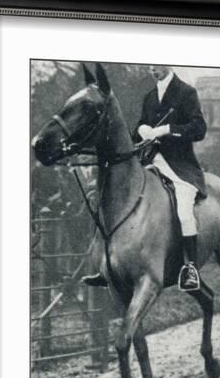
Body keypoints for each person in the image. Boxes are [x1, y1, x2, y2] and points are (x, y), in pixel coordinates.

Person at [84, 64, 207, 291]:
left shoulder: (186, 92)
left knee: (183, 209)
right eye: (150, 66)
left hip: (180, 165)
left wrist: (167, 130)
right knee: (108, 198)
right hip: (149, 161)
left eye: (156, 65)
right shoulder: (150, 96)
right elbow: (142, 123)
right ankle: (105, 265)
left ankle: (190, 268)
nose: (152, 69)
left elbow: (199, 128)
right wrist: (141, 129)